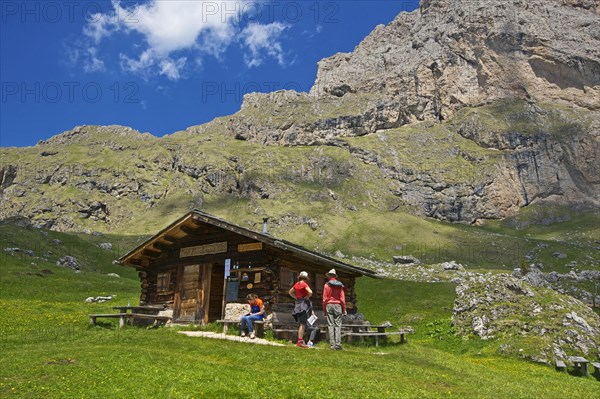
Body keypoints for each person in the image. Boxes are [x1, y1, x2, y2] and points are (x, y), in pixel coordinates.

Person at [289, 271, 317, 348]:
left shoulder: (296, 284)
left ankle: (301, 340)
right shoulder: (304, 284)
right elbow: (310, 292)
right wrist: (308, 296)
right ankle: (300, 341)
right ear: (306, 278)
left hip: (298, 304)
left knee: (302, 323)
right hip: (304, 304)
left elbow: (290, 292)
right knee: (303, 323)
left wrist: (297, 298)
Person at [322, 268, 346, 350]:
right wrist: (344, 309)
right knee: (338, 325)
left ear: (329, 276)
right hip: (338, 305)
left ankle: (332, 344)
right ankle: (338, 344)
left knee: (330, 325)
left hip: (329, 305)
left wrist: (324, 310)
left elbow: (324, 299)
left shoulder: (326, 285)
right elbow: (342, 299)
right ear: (335, 276)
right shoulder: (340, 285)